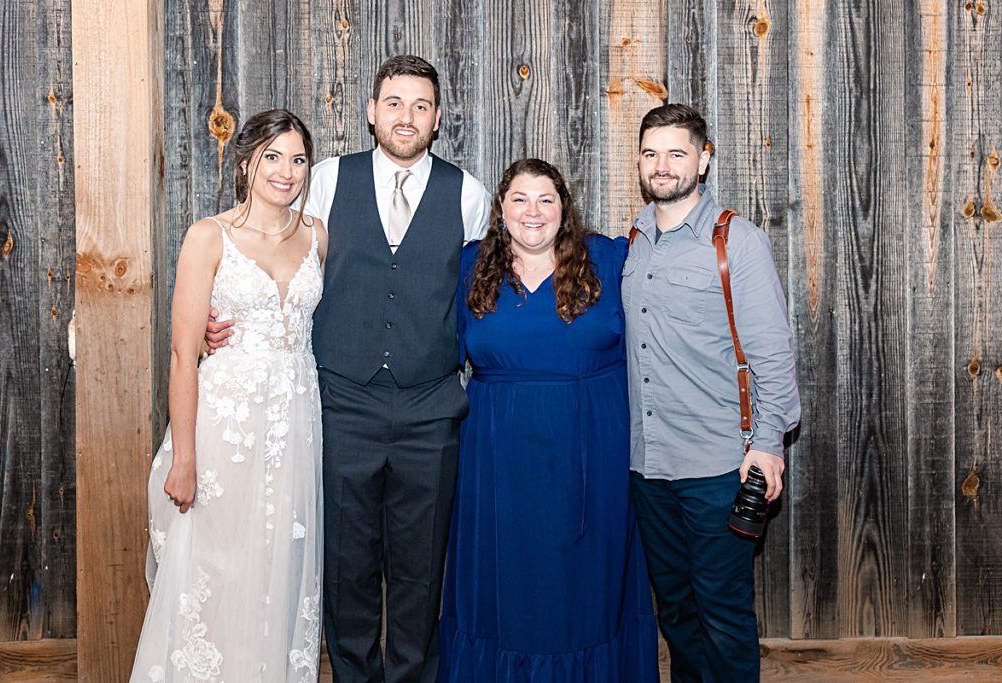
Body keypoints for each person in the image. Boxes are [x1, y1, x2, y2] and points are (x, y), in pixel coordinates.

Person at [207, 55, 489, 682]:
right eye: (394, 103)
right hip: (343, 405)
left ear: (438, 118)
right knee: (346, 566)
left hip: (431, 408)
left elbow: (482, 293)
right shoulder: (326, 179)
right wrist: (218, 312)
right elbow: (269, 248)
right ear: (371, 111)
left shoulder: (469, 196)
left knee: (420, 571)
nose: (406, 117)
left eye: (421, 105)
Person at [438, 158, 659, 682]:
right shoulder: (472, 265)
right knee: (506, 580)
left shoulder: (609, 258)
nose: (532, 212)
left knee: (583, 583)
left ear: (565, 209)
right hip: (497, 452)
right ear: (501, 209)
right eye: (519, 199)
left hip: (590, 447)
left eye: (546, 200)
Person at [130, 109, 327, 681]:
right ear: (245, 163)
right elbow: (183, 354)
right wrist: (186, 459)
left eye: (297, 160)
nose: (286, 171)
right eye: (273, 156)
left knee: (276, 574)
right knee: (215, 575)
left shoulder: (317, 234)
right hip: (224, 433)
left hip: (294, 428)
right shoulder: (208, 236)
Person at [622, 103, 800, 682]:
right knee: (675, 611)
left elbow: (772, 354)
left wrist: (768, 443)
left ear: (704, 158)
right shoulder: (634, 243)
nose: (662, 165)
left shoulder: (735, 242)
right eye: (651, 153)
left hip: (719, 466)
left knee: (722, 615)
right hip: (648, 469)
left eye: (677, 153)